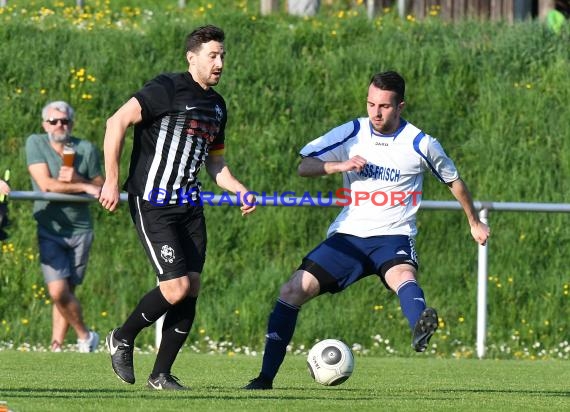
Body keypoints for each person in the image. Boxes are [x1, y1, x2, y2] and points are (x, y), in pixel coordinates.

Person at [244, 71, 490, 390]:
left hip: (393, 235)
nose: (376, 112)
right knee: (291, 291)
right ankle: (264, 379)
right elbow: (304, 165)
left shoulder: (421, 143)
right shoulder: (353, 131)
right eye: (371, 104)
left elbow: (453, 181)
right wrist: (338, 166)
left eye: (384, 106)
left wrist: (473, 221)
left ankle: (420, 327)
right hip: (349, 236)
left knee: (403, 276)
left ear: (400, 106)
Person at [99, 24, 256, 391]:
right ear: (192, 58)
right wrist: (110, 178)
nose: (219, 62)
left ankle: (160, 375)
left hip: (189, 206)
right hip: (152, 201)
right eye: (212, 55)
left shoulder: (217, 106)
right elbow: (116, 122)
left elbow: (215, 164)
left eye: (222, 56)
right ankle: (122, 336)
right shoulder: (166, 88)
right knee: (175, 287)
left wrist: (238, 189)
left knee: (193, 287)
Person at [25, 100, 103, 353]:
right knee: (58, 291)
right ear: (44, 124)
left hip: (81, 229)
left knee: (67, 291)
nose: (60, 125)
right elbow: (46, 184)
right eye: (54, 121)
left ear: (72, 123)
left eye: (65, 121)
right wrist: (83, 186)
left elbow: (101, 184)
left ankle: (56, 345)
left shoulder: (86, 148)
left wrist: (80, 179)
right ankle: (85, 336)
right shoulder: (35, 143)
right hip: (51, 228)